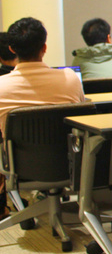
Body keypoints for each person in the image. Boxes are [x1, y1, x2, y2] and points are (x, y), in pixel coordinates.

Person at [0, 17, 86, 220]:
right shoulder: (70, 80)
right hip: (70, 162)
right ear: (44, 47)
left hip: (20, 167)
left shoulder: (1, 86)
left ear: (12, 49)